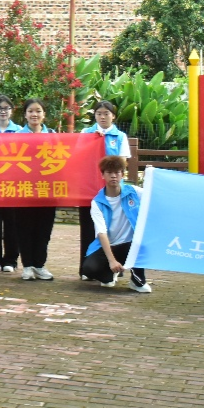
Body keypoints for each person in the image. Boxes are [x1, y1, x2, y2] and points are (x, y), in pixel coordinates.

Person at [79, 156, 149, 292]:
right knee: (89, 269)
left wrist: (150, 177)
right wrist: (111, 260)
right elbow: (101, 233)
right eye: (109, 172)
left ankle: (137, 281)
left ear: (122, 174)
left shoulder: (134, 192)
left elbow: (153, 195)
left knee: (141, 245)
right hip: (108, 246)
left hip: (130, 244)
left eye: (117, 172)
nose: (113, 176)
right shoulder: (97, 202)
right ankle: (110, 274)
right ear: (102, 175)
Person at [81, 101, 132, 262]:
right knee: (88, 228)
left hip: (112, 190)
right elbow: (79, 157)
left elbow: (122, 163)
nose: (102, 117)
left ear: (113, 116)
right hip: (89, 189)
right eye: (99, 114)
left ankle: (113, 264)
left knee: (111, 228)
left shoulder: (120, 136)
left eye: (106, 114)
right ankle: (86, 267)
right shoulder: (86, 133)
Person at [15, 99, 57, 282]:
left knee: (44, 230)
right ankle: (27, 266)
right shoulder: (17, 136)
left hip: (47, 190)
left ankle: (39, 265)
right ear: (25, 114)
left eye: (38, 111)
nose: (34, 114)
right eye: (30, 111)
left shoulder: (53, 136)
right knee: (24, 229)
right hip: (24, 191)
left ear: (43, 114)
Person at [0, 96, 21, 274]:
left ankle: (11, 259)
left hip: (12, 184)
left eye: (6, 108)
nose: (3, 111)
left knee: (12, 224)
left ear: (11, 111)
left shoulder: (19, 132)